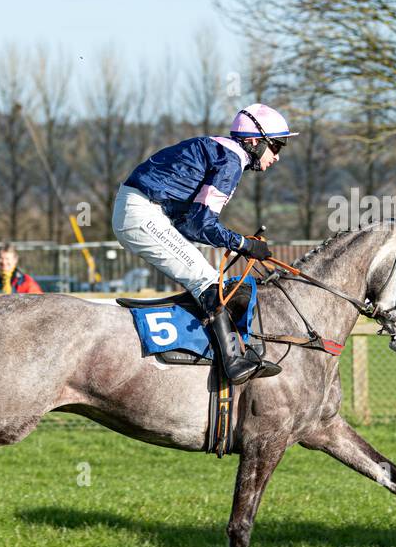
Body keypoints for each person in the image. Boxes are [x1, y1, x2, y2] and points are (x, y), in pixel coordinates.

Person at [112, 103, 295, 382]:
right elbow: (200, 224)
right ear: (255, 142)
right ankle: (233, 362)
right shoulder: (230, 161)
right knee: (208, 280)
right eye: (277, 146)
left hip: (143, 210)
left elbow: (190, 225)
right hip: (143, 213)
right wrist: (244, 245)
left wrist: (241, 243)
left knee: (207, 278)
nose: (277, 157)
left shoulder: (222, 151)